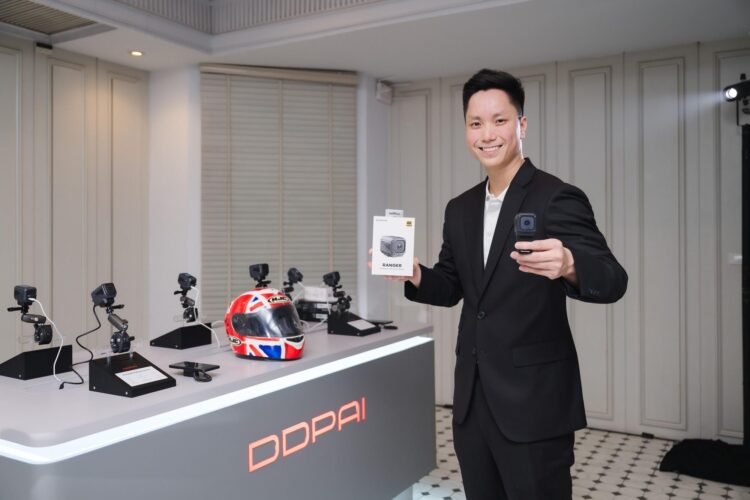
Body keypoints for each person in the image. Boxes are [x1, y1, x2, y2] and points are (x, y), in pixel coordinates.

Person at [385, 69, 628, 499]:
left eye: (499, 120)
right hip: (473, 403)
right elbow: (453, 287)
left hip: (534, 404)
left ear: (522, 124)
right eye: (475, 123)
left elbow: (612, 279)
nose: (487, 134)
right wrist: (416, 275)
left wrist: (570, 263)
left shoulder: (556, 196)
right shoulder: (459, 209)